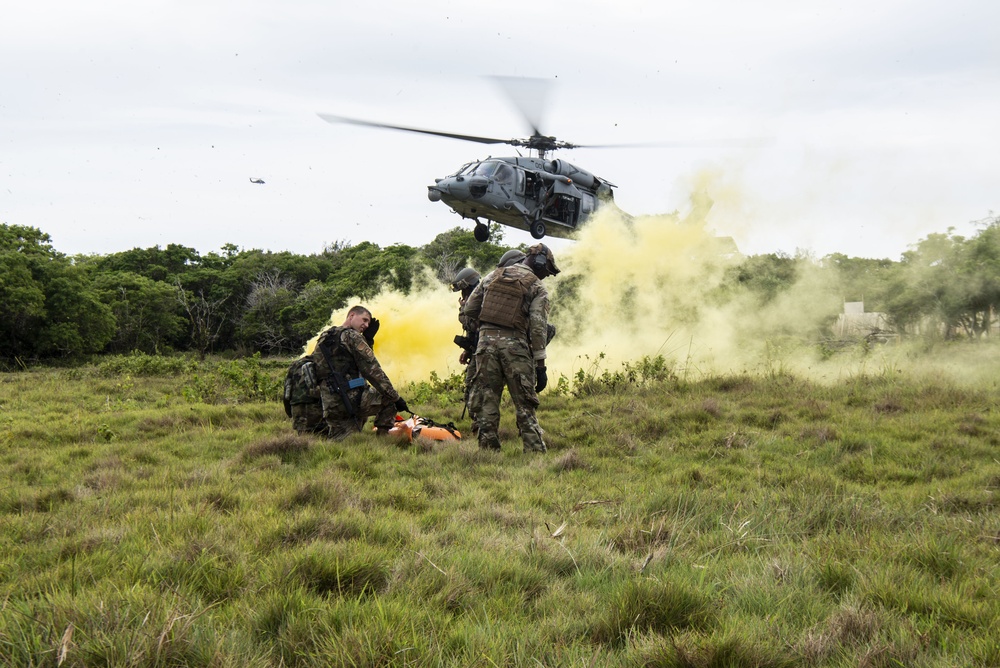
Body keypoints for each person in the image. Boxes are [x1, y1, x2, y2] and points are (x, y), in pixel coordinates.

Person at [462, 243, 559, 453]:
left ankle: (488, 451)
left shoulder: (492, 276)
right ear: (540, 262)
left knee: (487, 398)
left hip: (485, 345)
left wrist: (489, 326)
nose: (546, 276)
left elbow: (470, 308)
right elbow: (538, 328)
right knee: (525, 401)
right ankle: (534, 451)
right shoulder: (537, 286)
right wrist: (540, 366)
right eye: (547, 271)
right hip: (515, 347)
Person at [306, 305, 410, 440]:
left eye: (368, 322)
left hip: (329, 403)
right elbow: (372, 370)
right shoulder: (352, 336)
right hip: (352, 400)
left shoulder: (325, 336)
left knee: (343, 441)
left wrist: (367, 341)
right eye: (364, 320)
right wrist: (396, 398)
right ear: (352, 316)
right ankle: (383, 440)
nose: (366, 325)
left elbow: (319, 367)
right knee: (389, 400)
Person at [451, 267, 481, 422]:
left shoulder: (481, 298)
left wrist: (464, 309)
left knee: (475, 387)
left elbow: (474, 324)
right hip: (477, 348)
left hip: (485, 350)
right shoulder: (473, 299)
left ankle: (480, 424)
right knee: (471, 385)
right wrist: (468, 350)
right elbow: (472, 330)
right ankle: (477, 422)